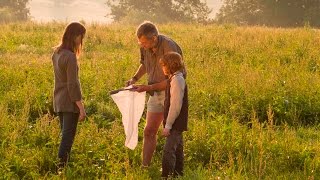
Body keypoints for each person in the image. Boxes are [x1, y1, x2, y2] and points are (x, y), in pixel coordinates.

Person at [127, 21, 185, 167]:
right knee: (149, 130)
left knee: (172, 132)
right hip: (154, 92)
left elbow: (175, 78)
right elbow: (145, 64)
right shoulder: (145, 47)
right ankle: (145, 166)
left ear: (154, 38)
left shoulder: (168, 46)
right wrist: (134, 78)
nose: (142, 45)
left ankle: (176, 170)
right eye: (140, 42)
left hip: (170, 93)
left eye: (144, 42)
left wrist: (147, 88)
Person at [52, 22, 86, 169]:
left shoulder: (57, 53)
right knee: (67, 138)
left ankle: (62, 167)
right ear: (76, 36)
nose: (81, 40)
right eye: (81, 37)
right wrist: (81, 106)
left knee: (64, 135)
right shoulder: (71, 57)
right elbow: (72, 84)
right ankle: (61, 169)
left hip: (59, 100)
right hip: (69, 102)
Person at [159, 52, 188, 178]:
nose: (162, 68)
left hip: (175, 123)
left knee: (168, 151)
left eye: (164, 65)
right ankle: (178, 175)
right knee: (178, 150)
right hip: (176, 123)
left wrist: (168, 125)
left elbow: (175, 105)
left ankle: (167, 176)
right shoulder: (175, 78)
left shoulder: (177, 80)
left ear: (170, 66)